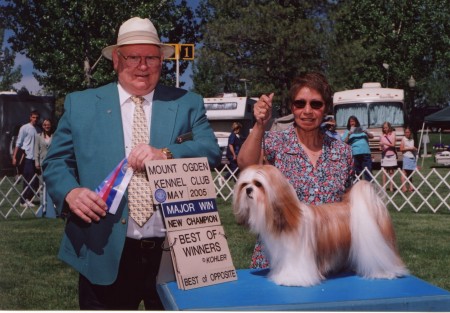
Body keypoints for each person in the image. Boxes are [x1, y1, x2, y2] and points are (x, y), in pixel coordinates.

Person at [42, 17, 220, 310]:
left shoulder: (188, 102)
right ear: (116, 60)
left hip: (174, 253)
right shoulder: (81, 103)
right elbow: (56, 161)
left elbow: (210, 151)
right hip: (103, 248)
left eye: (151, 57)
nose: (143, 66)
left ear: (161, 61)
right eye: (134, 57)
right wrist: (71, 193)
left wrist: (166, 154)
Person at [238, 72, 353, 269]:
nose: (307, 111)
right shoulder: (275, 142)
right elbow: (246, 165)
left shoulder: (342, 152)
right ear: (292, 107)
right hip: (279, 260)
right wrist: (259, 125)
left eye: (316, 104)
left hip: (329, 259)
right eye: (300, 104)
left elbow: (347, 205)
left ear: (326, 108)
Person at [12, 110, 40, 208]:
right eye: (33, 117)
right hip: (27, 158)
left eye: (37, 118)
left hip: (34, 158)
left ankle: (29, 198)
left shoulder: (37, 129)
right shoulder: (25, 128)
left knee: (34, 180)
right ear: (30, 117)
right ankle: (23, 201)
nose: (35, 119)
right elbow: (18, 143)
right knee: (28, 180)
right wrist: (14, 156)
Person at [341, 116, 374, 181]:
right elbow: (344, 142)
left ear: (356, 122)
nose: (352, 123)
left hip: (365, 152)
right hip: (355, 153)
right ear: (349, 123)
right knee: (357, 171)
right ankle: (357, 187)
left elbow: (371, 136)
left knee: (368, 170)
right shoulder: (347, 130)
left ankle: (369, 186)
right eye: (350, 121)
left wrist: (366, 132)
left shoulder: (361, 128)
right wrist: (348, 134)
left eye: (353, 121)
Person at [34, 118, 55, 216]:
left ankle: (52, 207)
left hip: (52, 164)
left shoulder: (55, 136)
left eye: (48, 124)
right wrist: (36, 162)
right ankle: (43, 207)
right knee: (42, 185)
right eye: (45, 125)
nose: (47, 126)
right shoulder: (38, 137)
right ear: (42, 126)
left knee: (52, 185)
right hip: (42, 163)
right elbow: (36, 150)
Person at [380, 121, 397, 191]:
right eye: (384, 128)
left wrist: (384, 143)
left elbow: (393, 144)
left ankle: (391, 187)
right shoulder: (381, 136)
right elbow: (380, 147)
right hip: (384, 155)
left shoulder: (393, 134)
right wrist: (381, 147)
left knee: (391, 171)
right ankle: (384, 187)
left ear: (389, 127)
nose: (385, 129)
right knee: (384, 171)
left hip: (392, 154)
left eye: (386, 128)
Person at [400, 126, 417, 192]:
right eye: (406, 132)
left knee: (410, 173)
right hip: (406, 157)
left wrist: (415, 149)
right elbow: (401, 149)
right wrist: (410, 149)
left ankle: (410, 187)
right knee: (404, 172)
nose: (407, 133)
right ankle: (403, 187)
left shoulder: (412, 139)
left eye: (408, 132)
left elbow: (412, 147)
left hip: (412, 157)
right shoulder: (403, 139)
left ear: (410, 133)